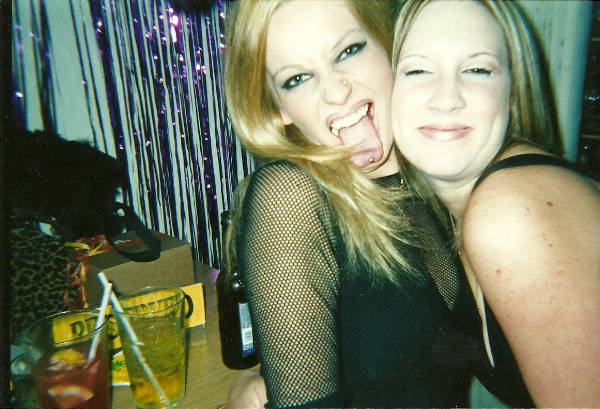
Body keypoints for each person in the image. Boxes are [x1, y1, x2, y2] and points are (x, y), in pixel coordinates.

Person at [223, 0, 471, 407]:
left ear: (389, 46)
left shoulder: (436, 175)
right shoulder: (289, 197)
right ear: (278, 109)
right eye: (298, 78)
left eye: (348, 51)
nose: (336, 92)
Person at [390, 0, 600, 407]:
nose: (447, 99)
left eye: (477, 70)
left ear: (513, 93)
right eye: (417, 70)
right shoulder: (441, 217)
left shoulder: (512, 208)